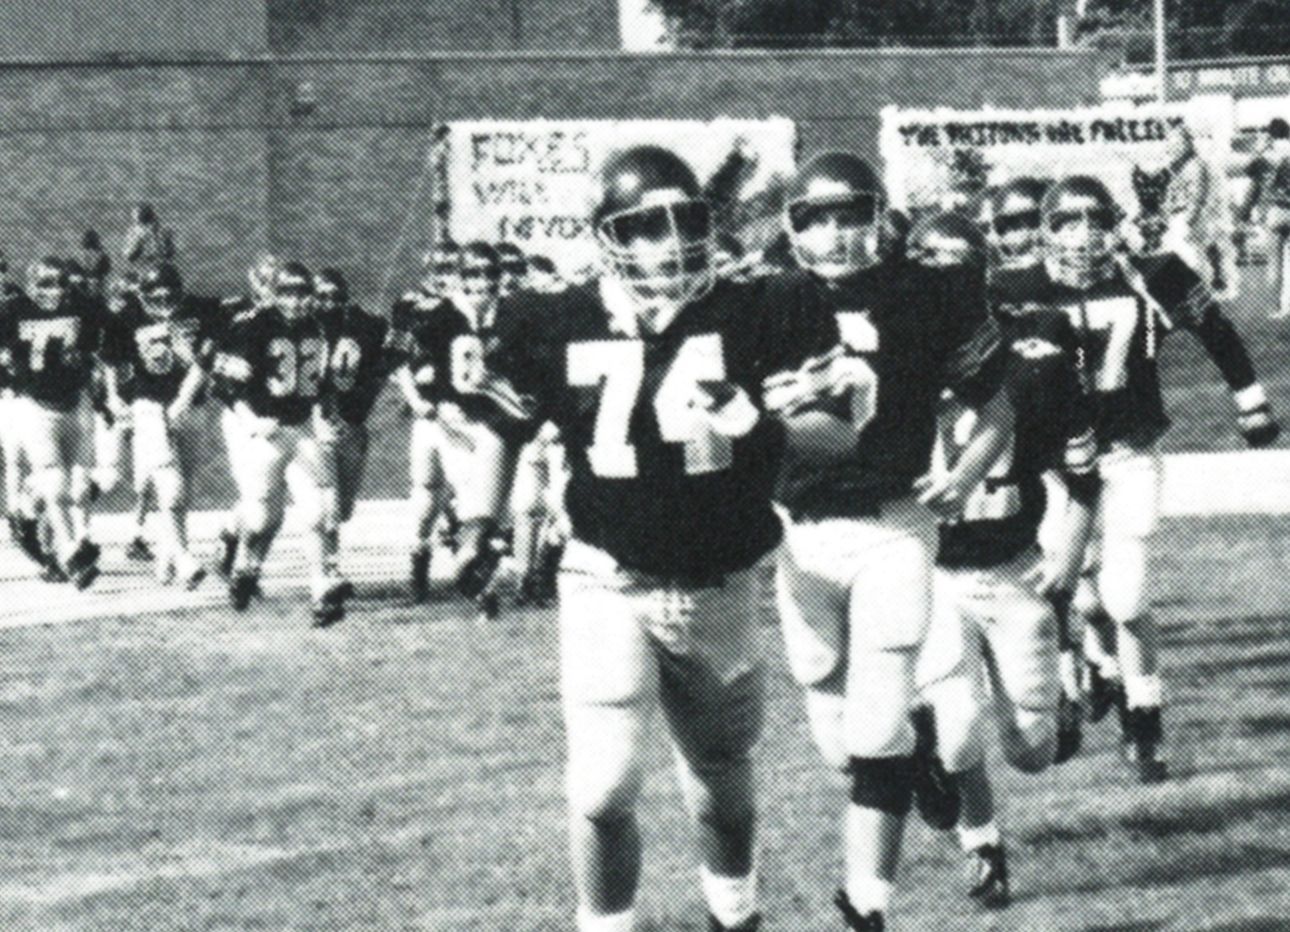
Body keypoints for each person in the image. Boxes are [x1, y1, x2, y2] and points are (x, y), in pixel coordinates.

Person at [471, 143, 864, 932]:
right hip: (605, 576)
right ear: (607, 236)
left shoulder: (765, 306)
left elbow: (837, 437)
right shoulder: (553, 316)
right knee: (604, 787)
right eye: (646, 226)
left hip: (719, 578)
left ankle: (735, 913)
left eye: (684, 220)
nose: (670, 241)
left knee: (720, 780)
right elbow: (505, 430)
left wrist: (757, 421)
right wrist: (481, 528)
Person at [771, 151, 1012, 931]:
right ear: (793, 228)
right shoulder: (764, 303)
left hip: (893, 524)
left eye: (851, 216)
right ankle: (922, 761)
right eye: (818, 219)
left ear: (880, 218)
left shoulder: (929, 292)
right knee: (841, 747)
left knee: (874, 729)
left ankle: (867, 904)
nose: (837, 235)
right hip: (800, 535)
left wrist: (968, 472)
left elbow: (996, 406)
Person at [993, 175, 1279, 784]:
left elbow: (1219, 332)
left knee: (1124, 596)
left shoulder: (1153, 277)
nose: (1083, 236)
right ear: (1045, 231)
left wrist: (1250, 399)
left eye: (1095, 221)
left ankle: (1144, 721)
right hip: (1052, 466)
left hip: (1126, 454)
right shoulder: (1011, 289)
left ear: (1115, 224)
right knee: (1066, 590)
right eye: (1067, 223)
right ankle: (1077, 683)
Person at [214, 262, 346, 621]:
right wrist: (251, 420)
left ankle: (322, 589)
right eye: (288, 293)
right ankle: (244, 565)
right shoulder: (253, 326)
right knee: (261, 519)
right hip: (266, 431)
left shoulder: (318, 327)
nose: (296, 301)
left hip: (302, 428)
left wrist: (326, 418)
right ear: (274, 294)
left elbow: (323, 386)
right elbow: (225, 386)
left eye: (303, 293)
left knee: (317, 510)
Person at [99, 263, 213, 589]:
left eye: (169, 294)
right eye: (156, 295)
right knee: (170, 484)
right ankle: (184, 556)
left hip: (192, 405)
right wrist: (112, 395)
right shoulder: (128, 316)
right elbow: (110, 357)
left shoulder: (199, 310)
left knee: (184, 487)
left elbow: (208, 356)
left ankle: (168, 550)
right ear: (143, 294)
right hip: (149, 405)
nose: (163, 301)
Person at [0, 258, 105, 588]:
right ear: (31, 284)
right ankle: (69, 549)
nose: (53, 291)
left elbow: (113, 332)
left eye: (59, 283)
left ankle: (31, 517)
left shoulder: (83, 308)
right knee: (52, 481)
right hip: (30, 404)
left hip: (74, 402)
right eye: (44, 284)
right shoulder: (12, 310)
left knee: (77, 485)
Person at [314, 267, 392, 618]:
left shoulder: (366, 326)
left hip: (353, 428)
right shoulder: (305, 327)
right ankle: (329, 572)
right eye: (322, 296)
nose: (327, 303)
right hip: (317, 428)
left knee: (343, 510)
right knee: (327, 505)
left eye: (334, 296)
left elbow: (385, 364)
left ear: (345, 297)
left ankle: (330, 567)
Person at [1261, 118, 1290, 319]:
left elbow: (1261, 182)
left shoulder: (1269, 154)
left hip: (1277, 210)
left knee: (1275, 262)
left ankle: (1276, 308)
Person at [122, 203, 176, 267]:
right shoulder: (133, 232)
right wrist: (139, 243)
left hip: (157, 265)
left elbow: (169, 254)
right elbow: (129, 256)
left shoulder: (162, 231)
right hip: (142, 265)